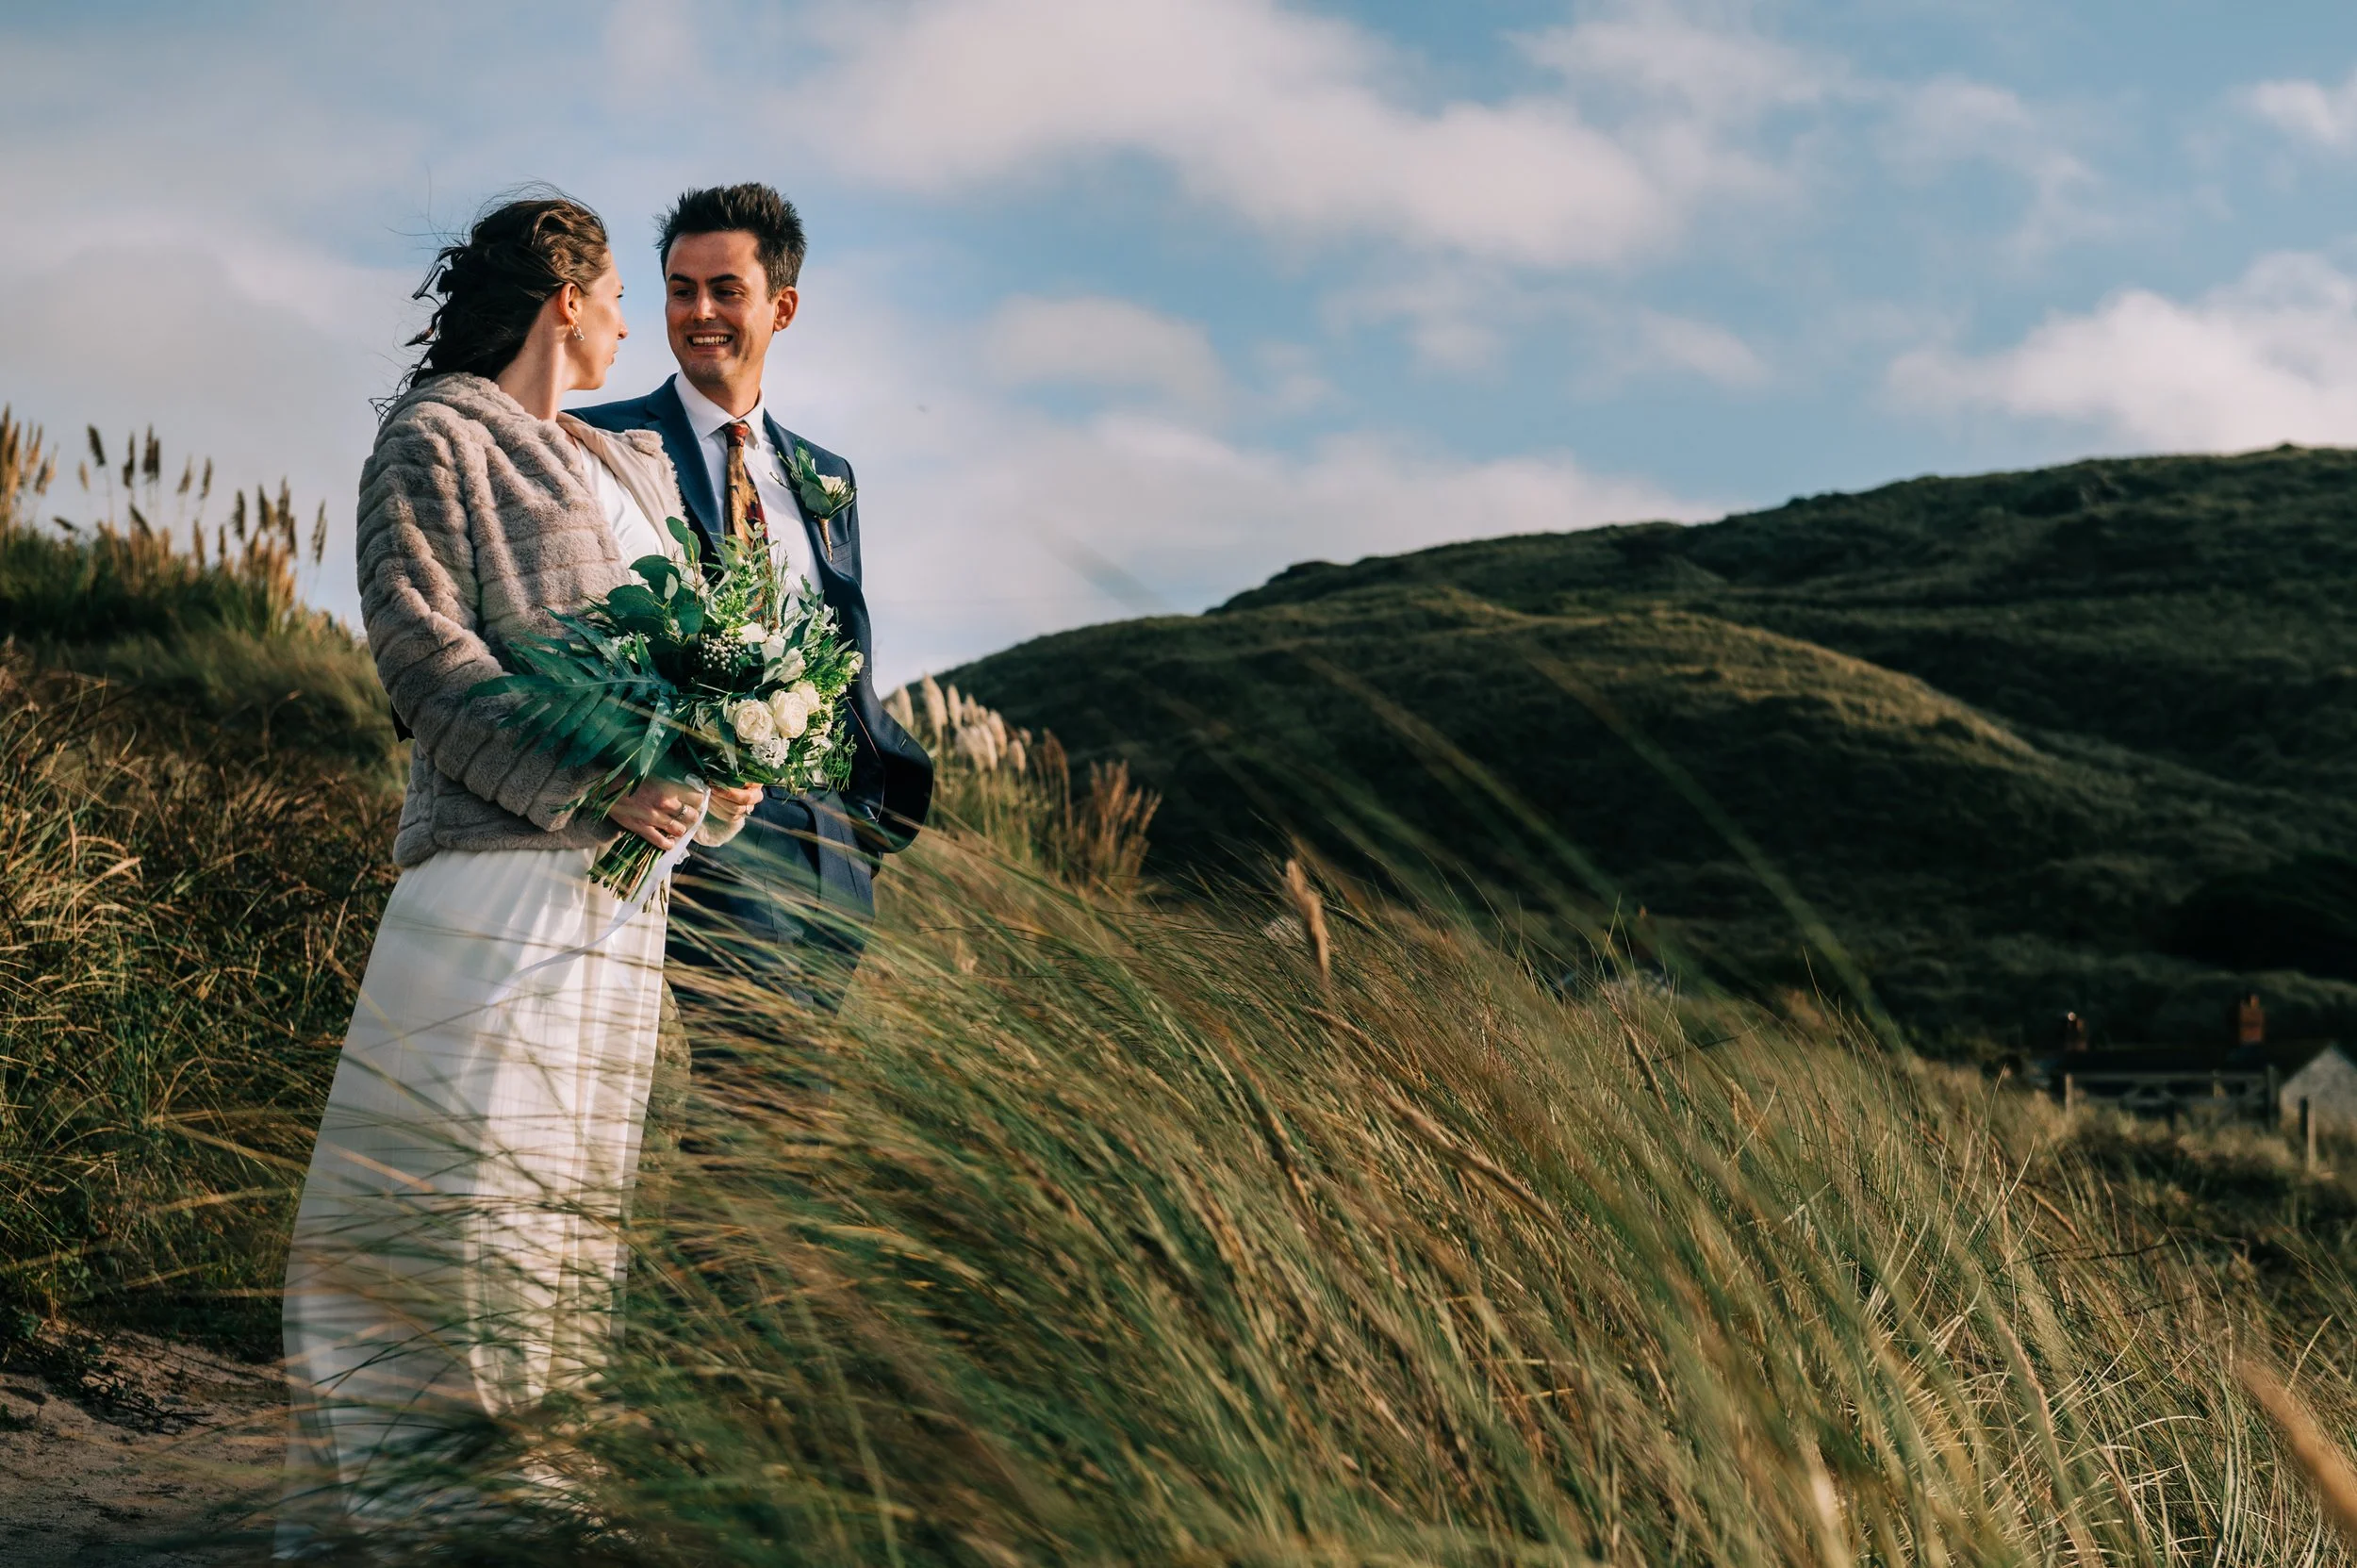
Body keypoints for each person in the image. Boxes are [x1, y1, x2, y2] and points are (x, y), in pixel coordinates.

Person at [278, 192, 764, 1545]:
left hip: (622, 903)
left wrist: (719, 765)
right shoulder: (431, 440)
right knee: (454, 1186)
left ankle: (537, 1490)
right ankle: (416, 1498)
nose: (633, 322)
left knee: (567, 1198)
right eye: (621, 296)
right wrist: (610, 768)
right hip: (490, 875)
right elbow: (430, 664)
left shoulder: (631, 471)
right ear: (567, 295)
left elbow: (695, 667)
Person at [574, 183, 931, 1010]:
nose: (700, 311)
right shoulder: (598, 443)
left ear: (783, 306)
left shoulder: (825, 476)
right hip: (694, 833)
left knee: (792, 1116)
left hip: (830, 845)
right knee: (749, 1094)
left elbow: (847, 644)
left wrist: (859, 824)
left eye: (726, 290)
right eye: (679, 289)